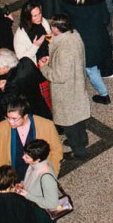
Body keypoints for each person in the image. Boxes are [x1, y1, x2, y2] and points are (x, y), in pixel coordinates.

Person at [37, 13, 91, 160]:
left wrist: (44, 67)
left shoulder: (64, 49)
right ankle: (83, 139)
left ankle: (78, 150)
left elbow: (59, 76)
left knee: (70, 123)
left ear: (56, 29)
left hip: (66, 92)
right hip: (76, 85)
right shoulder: (74, 35)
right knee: (78, 116)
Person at [0, 95, 63, 177]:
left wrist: (50, 172)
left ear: (25, 116)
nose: (10, 122)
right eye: (8, 118)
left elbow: (57, 150)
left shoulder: (46, 125)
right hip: (12, 177)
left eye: (14, 119)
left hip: (38, 176)